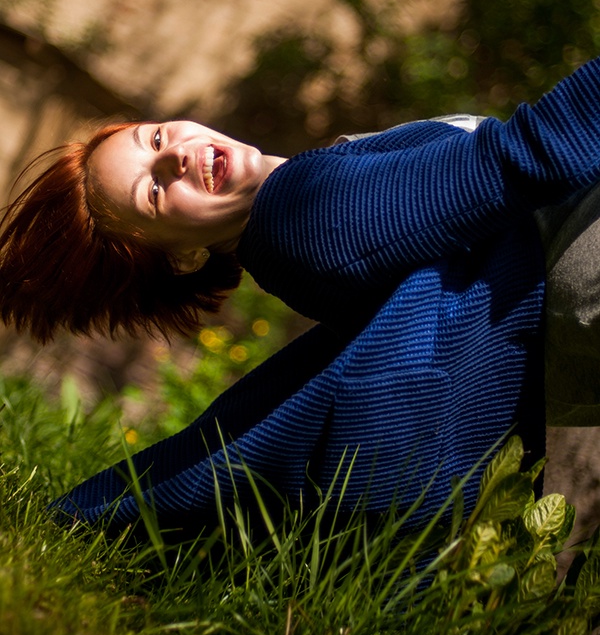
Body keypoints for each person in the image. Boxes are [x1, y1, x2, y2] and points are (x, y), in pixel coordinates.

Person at [3, 56, 600, 541]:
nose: (175, 154)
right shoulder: (303, 215)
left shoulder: (304, 227)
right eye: (154, 189)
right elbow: (527, 154)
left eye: (154, 136)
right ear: (184, 257)